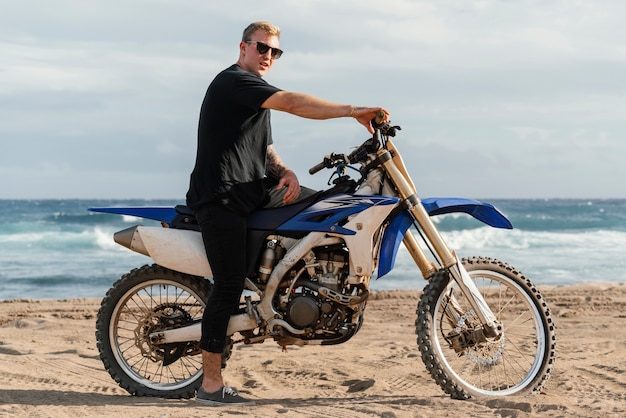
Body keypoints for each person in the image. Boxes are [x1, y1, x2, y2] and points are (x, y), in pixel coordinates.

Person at [186, 21, 389, 406]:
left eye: (274, 52)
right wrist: (352, 111)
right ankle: (211, 387)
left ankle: (288, 297)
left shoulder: (253, 95)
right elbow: (294, 103)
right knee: (227, 285)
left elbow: (263, 148)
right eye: (261, 48)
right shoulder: (233, 82)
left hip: (252, 192)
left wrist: (285, 171)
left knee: (325, 207)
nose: (267, 56)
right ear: (243, 47)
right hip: (221, 197)